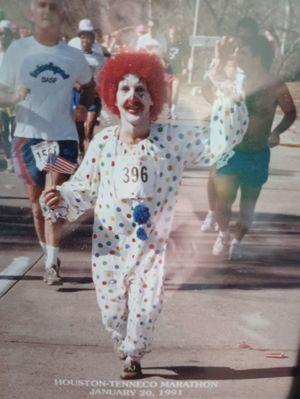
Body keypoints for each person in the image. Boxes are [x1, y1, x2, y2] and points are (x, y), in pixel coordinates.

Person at [41, 51, 248, 379]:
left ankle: (133, 355)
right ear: (113, 96)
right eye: (124, 89)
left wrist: (229, 94)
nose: (132, 97)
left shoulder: (173, 138)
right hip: (108, 242)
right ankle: (121, 338)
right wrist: (59, 197)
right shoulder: (103, 141)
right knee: (112, 309)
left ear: (154, 98)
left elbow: (220, 141)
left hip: (153, 245)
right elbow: (82, 186)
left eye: (141, 90)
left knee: (146, 304)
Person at [0, 0, 94, 284]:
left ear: (60, 15)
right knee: (37, 205)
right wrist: (12, 98)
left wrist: (83, 110)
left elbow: (90, 86)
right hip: (28, 137)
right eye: (40, 6)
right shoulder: (19, 50)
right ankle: (49, 251)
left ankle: (52, 264)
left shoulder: (73, 56)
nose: (46, 12)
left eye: (52, 7)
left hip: (62, 137)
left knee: (54, 198)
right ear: (32, 13)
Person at [212, 35, 297, 260]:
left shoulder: (275, 85)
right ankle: (222, 233)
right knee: (223, 201)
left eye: (244, 53)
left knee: (247, 208)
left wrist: (276, 132)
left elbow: (291, 112)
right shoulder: (232, 79)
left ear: (257, 57)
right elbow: (208, 86)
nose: (238, 57)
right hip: (230, 152)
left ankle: (237, 241)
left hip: (257, 154)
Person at [200, 17, 259, 233]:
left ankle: (223, 216)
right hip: (220, 125)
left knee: (232, 176)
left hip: (243, 128)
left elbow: (244, 93)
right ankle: (211, 212)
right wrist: (217, 105)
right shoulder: (221, 62)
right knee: (214, 173)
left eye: (247, 37)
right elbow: (206, 86)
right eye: (240, 36)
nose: (242, 41)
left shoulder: (250, 64)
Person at [73, 28, 105, 155]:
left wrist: (99, 87)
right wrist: (75, 83)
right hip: (78, 95)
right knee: (79, 128)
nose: (85, 40)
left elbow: (102, 76)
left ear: (93, 40)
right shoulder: (75, 56)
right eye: (82, 37)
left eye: (87, 38)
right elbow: (69, 75)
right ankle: (81, 152)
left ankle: (89, 157)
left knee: (89, 129)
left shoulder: (98, 58)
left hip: (92, 95)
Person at [0, 21, 15, 172]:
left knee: (16, 130)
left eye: (5, 33)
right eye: (0, 34)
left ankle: (17, 158)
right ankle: (10, 160)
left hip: (16, 98)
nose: (2, 37)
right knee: (3, 130)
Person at [164, 26, 187, 119]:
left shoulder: (181, 45)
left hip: (177, 71)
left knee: (175, 91)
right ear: (169, 35)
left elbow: (184, 58)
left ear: (178, 35)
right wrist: (163, 63)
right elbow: (162, 55)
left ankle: (174, 110)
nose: (173, 36)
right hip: (167, 71)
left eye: (175, 34)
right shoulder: (166, 44)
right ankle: (168, 109)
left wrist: (185, 67)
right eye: (171, 34)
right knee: (168, 93)